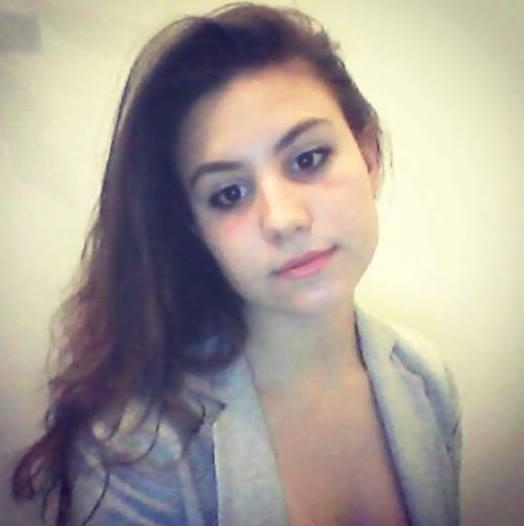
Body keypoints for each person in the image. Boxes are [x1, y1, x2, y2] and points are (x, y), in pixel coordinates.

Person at [11, 3, 462, 525]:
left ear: (368, 154)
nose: (283, 219)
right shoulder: (138, 452)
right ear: (194, 228)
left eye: (308, 159)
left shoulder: (426, 380)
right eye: (229, 193)